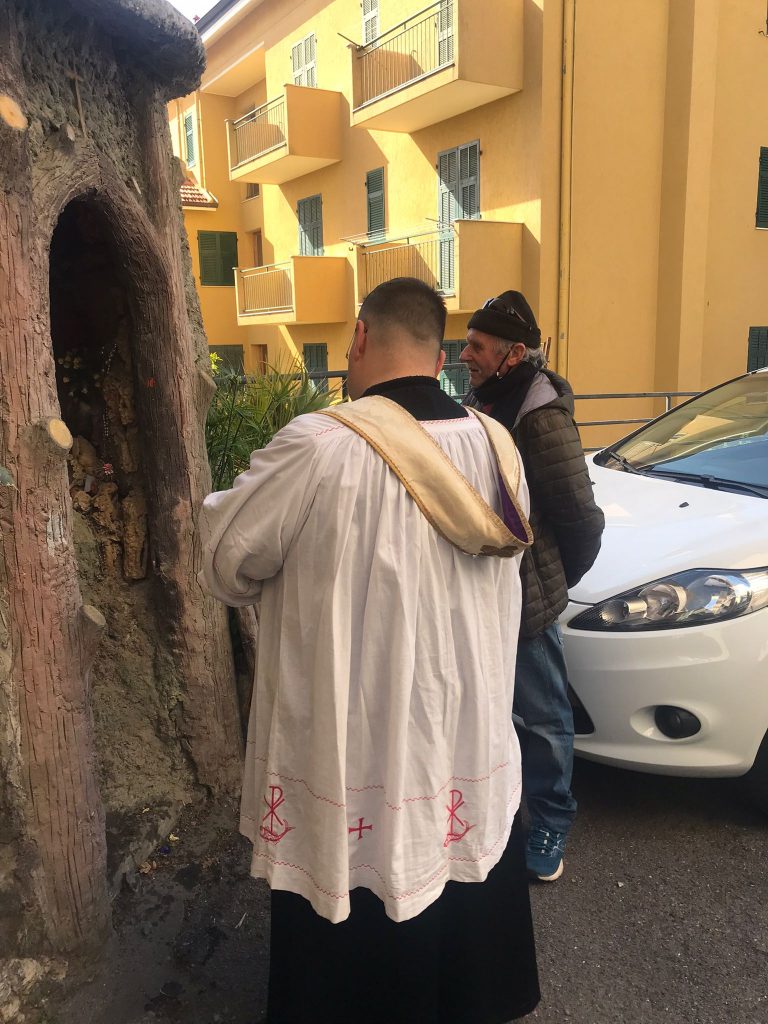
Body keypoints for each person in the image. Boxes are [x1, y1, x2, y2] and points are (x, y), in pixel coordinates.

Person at [200, 277, 540, 1024]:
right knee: (459, 862)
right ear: (441, 357)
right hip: (466, 728)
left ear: (358, 336)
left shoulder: (317, 446)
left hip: (357, 740)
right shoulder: (497, 446)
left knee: (360, 894)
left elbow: (226, 559)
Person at [461, 291, 605, 883]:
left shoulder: (539, 416)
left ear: (514, 353)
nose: (464, 355)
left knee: (544, 719)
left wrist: (553, 585)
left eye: (476, 346)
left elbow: (580, 517)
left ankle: (551, 820)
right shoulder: (487, 399)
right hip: (487, 591)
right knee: (493, 710)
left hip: (525, 599)